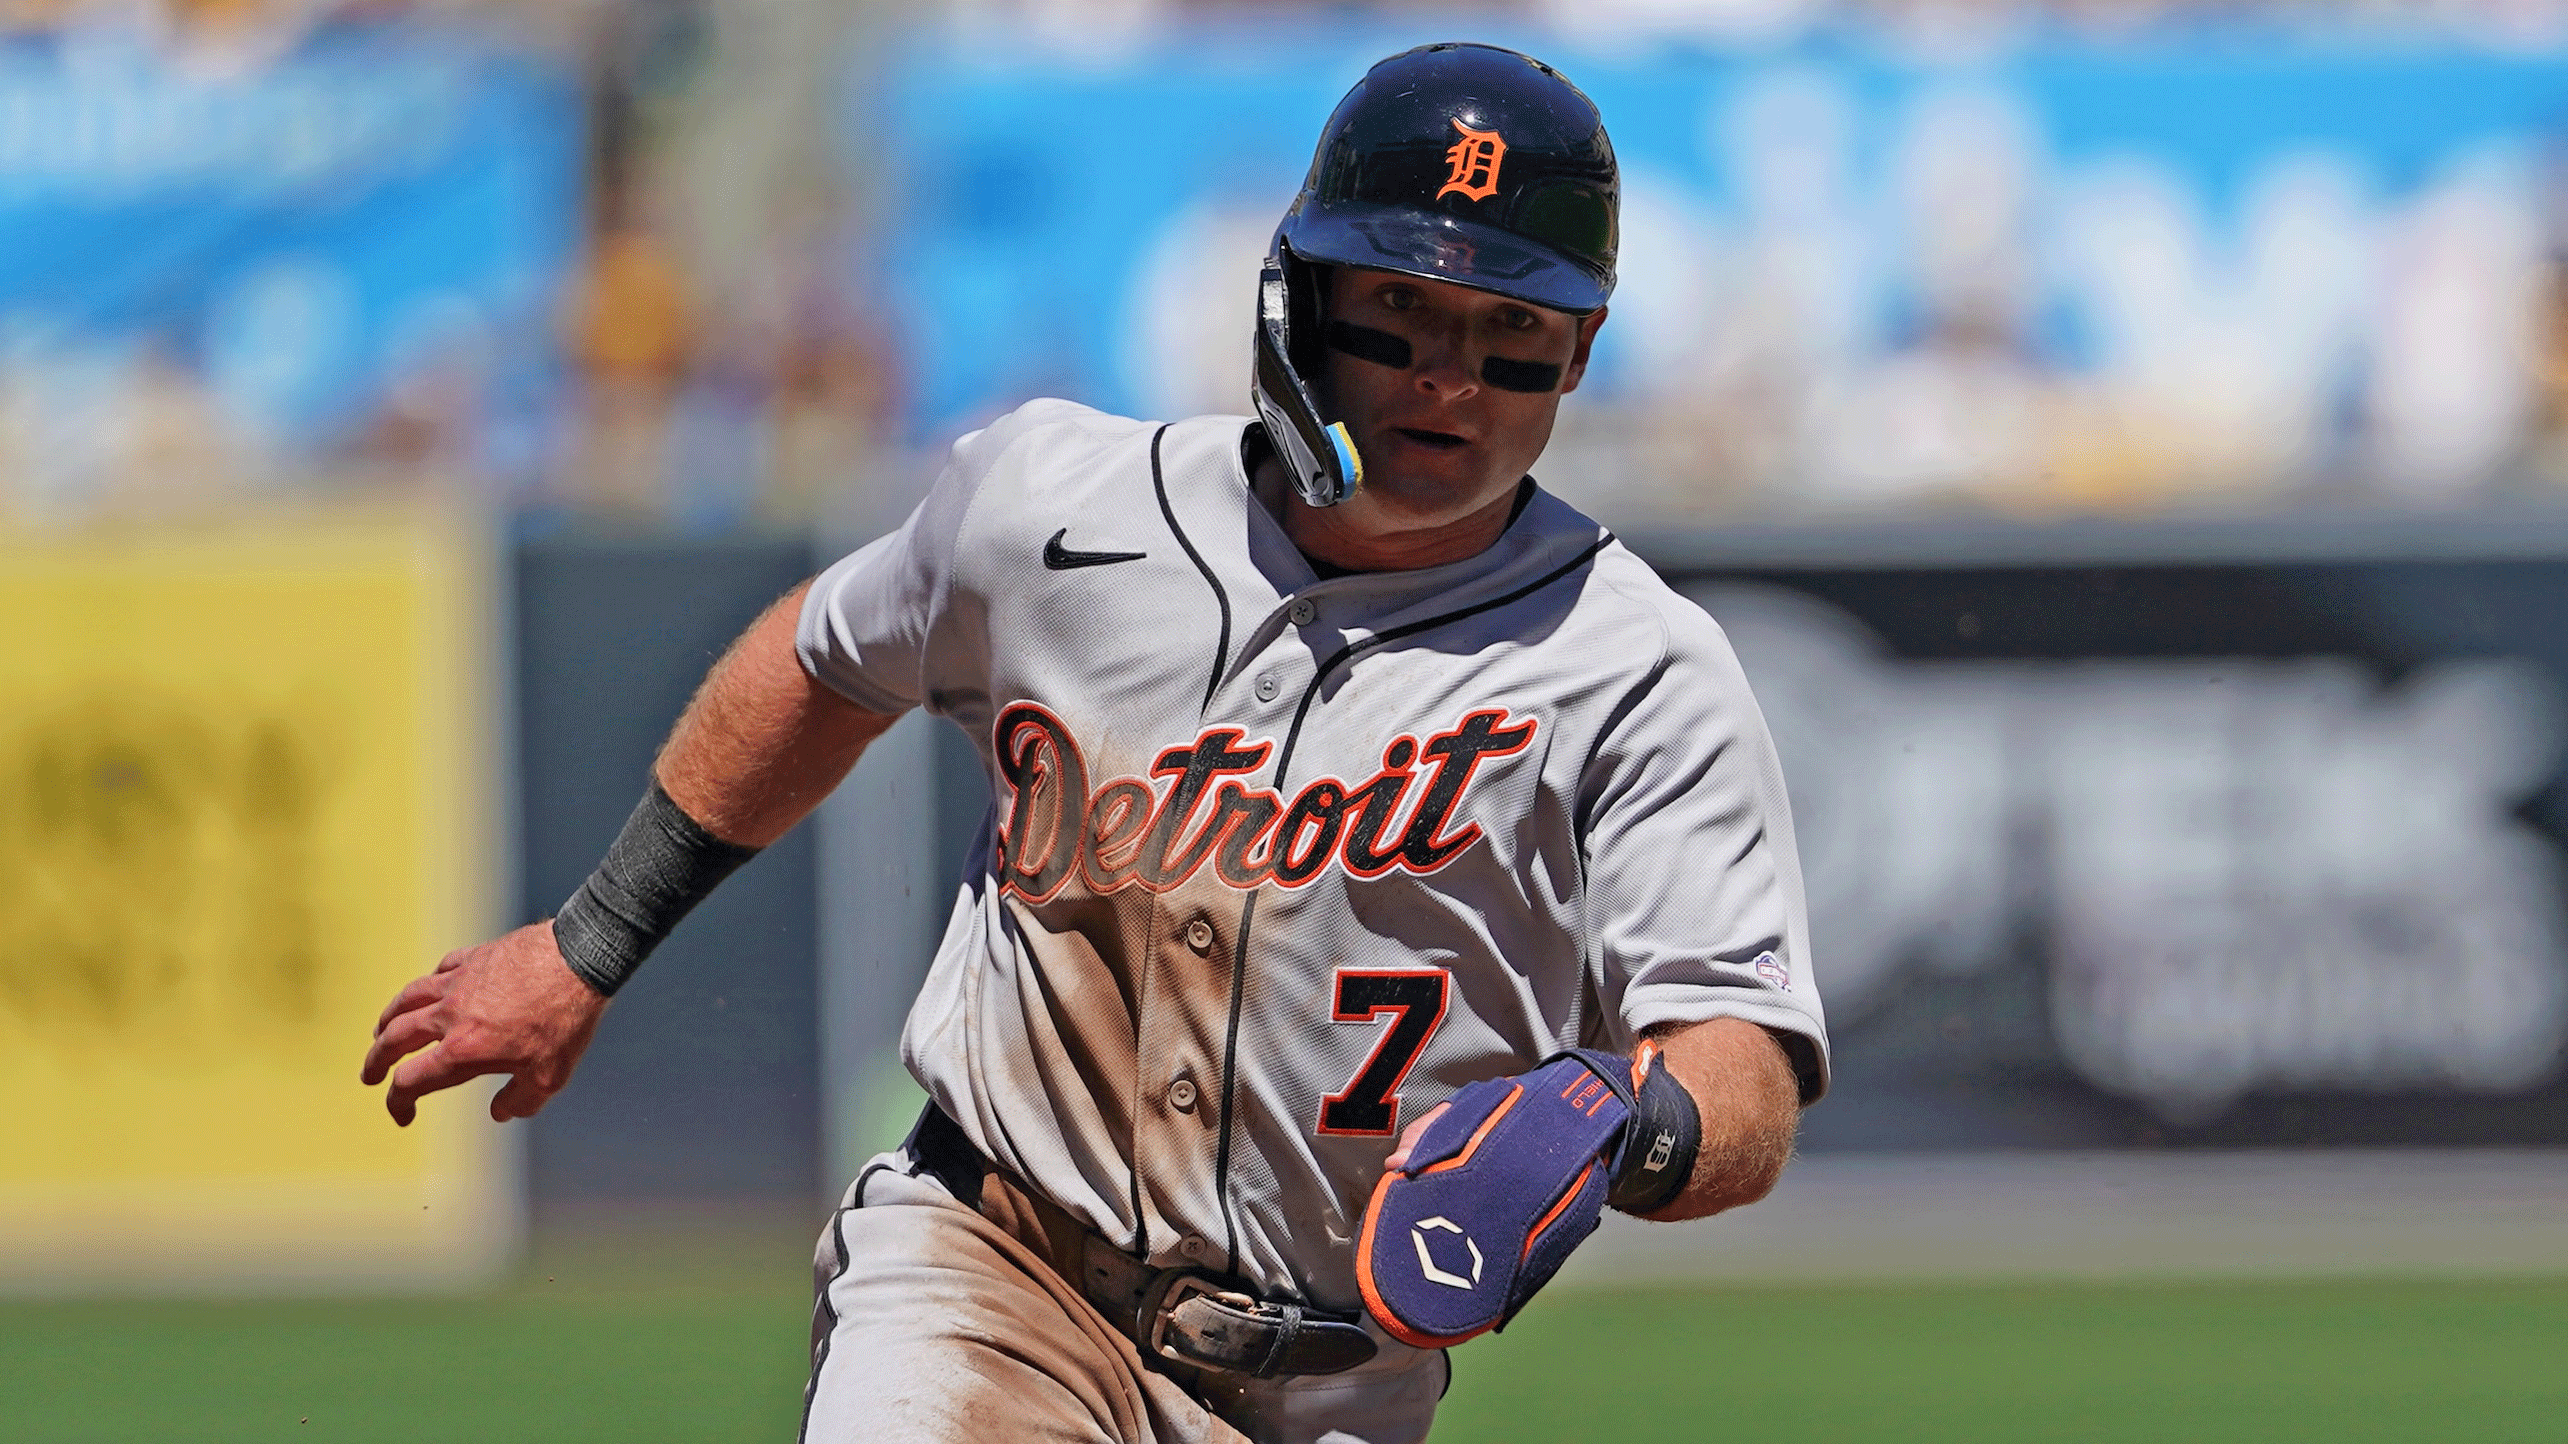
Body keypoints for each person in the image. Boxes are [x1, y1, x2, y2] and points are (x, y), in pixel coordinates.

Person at [361, 41, 1828, 1444]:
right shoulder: (1055, 509)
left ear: (1580, 354)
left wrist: (1628, 1127)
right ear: (1303, 295)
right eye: (1404, 305)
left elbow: (1741, 1068)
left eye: (1512, 333)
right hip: (992, 1271)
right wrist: (590, 942)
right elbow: (819, 658)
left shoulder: (1638, 668)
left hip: (1335, 1387)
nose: (1450, 374)